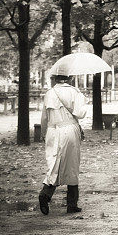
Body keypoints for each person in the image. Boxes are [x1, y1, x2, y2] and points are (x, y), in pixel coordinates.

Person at [38, 74, 87, 215]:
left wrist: (43, 133)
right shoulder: (74, 92)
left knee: (54, 164)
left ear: (55, 78)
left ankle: (45, 194)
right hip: (69, 130)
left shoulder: (49, 93)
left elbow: (44, 117)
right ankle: (71, 204)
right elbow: (80, 113)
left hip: (52, 131)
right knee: (72, 165)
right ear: (70, 78)